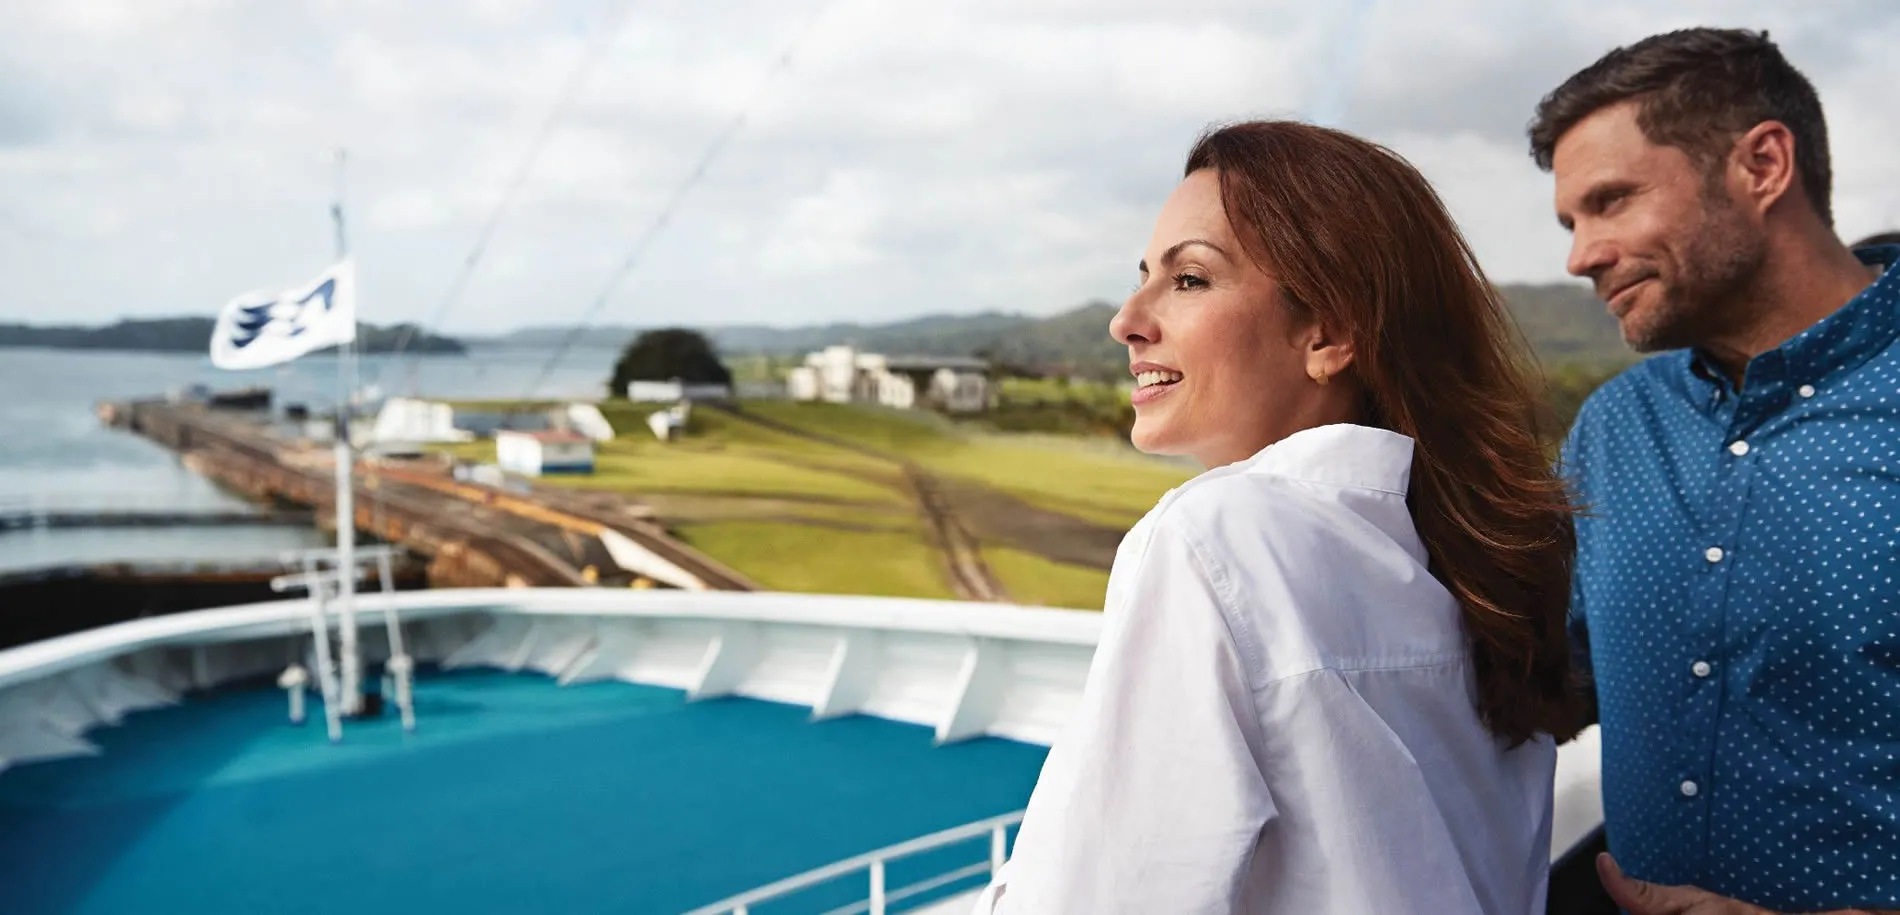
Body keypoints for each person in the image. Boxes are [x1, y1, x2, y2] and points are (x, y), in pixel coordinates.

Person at [971, 120, 1581, 914]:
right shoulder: (1471, 562)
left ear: (1327, 332)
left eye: (1189, 279)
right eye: (1144, 275)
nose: (1127, 318)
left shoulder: (1212, 537)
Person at [1528, 27, 1900, 915]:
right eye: (1571, 222)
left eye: (1611, 201)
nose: (1580, 256)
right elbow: (1555, 681)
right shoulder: (1616, 426)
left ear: (1763, 165)